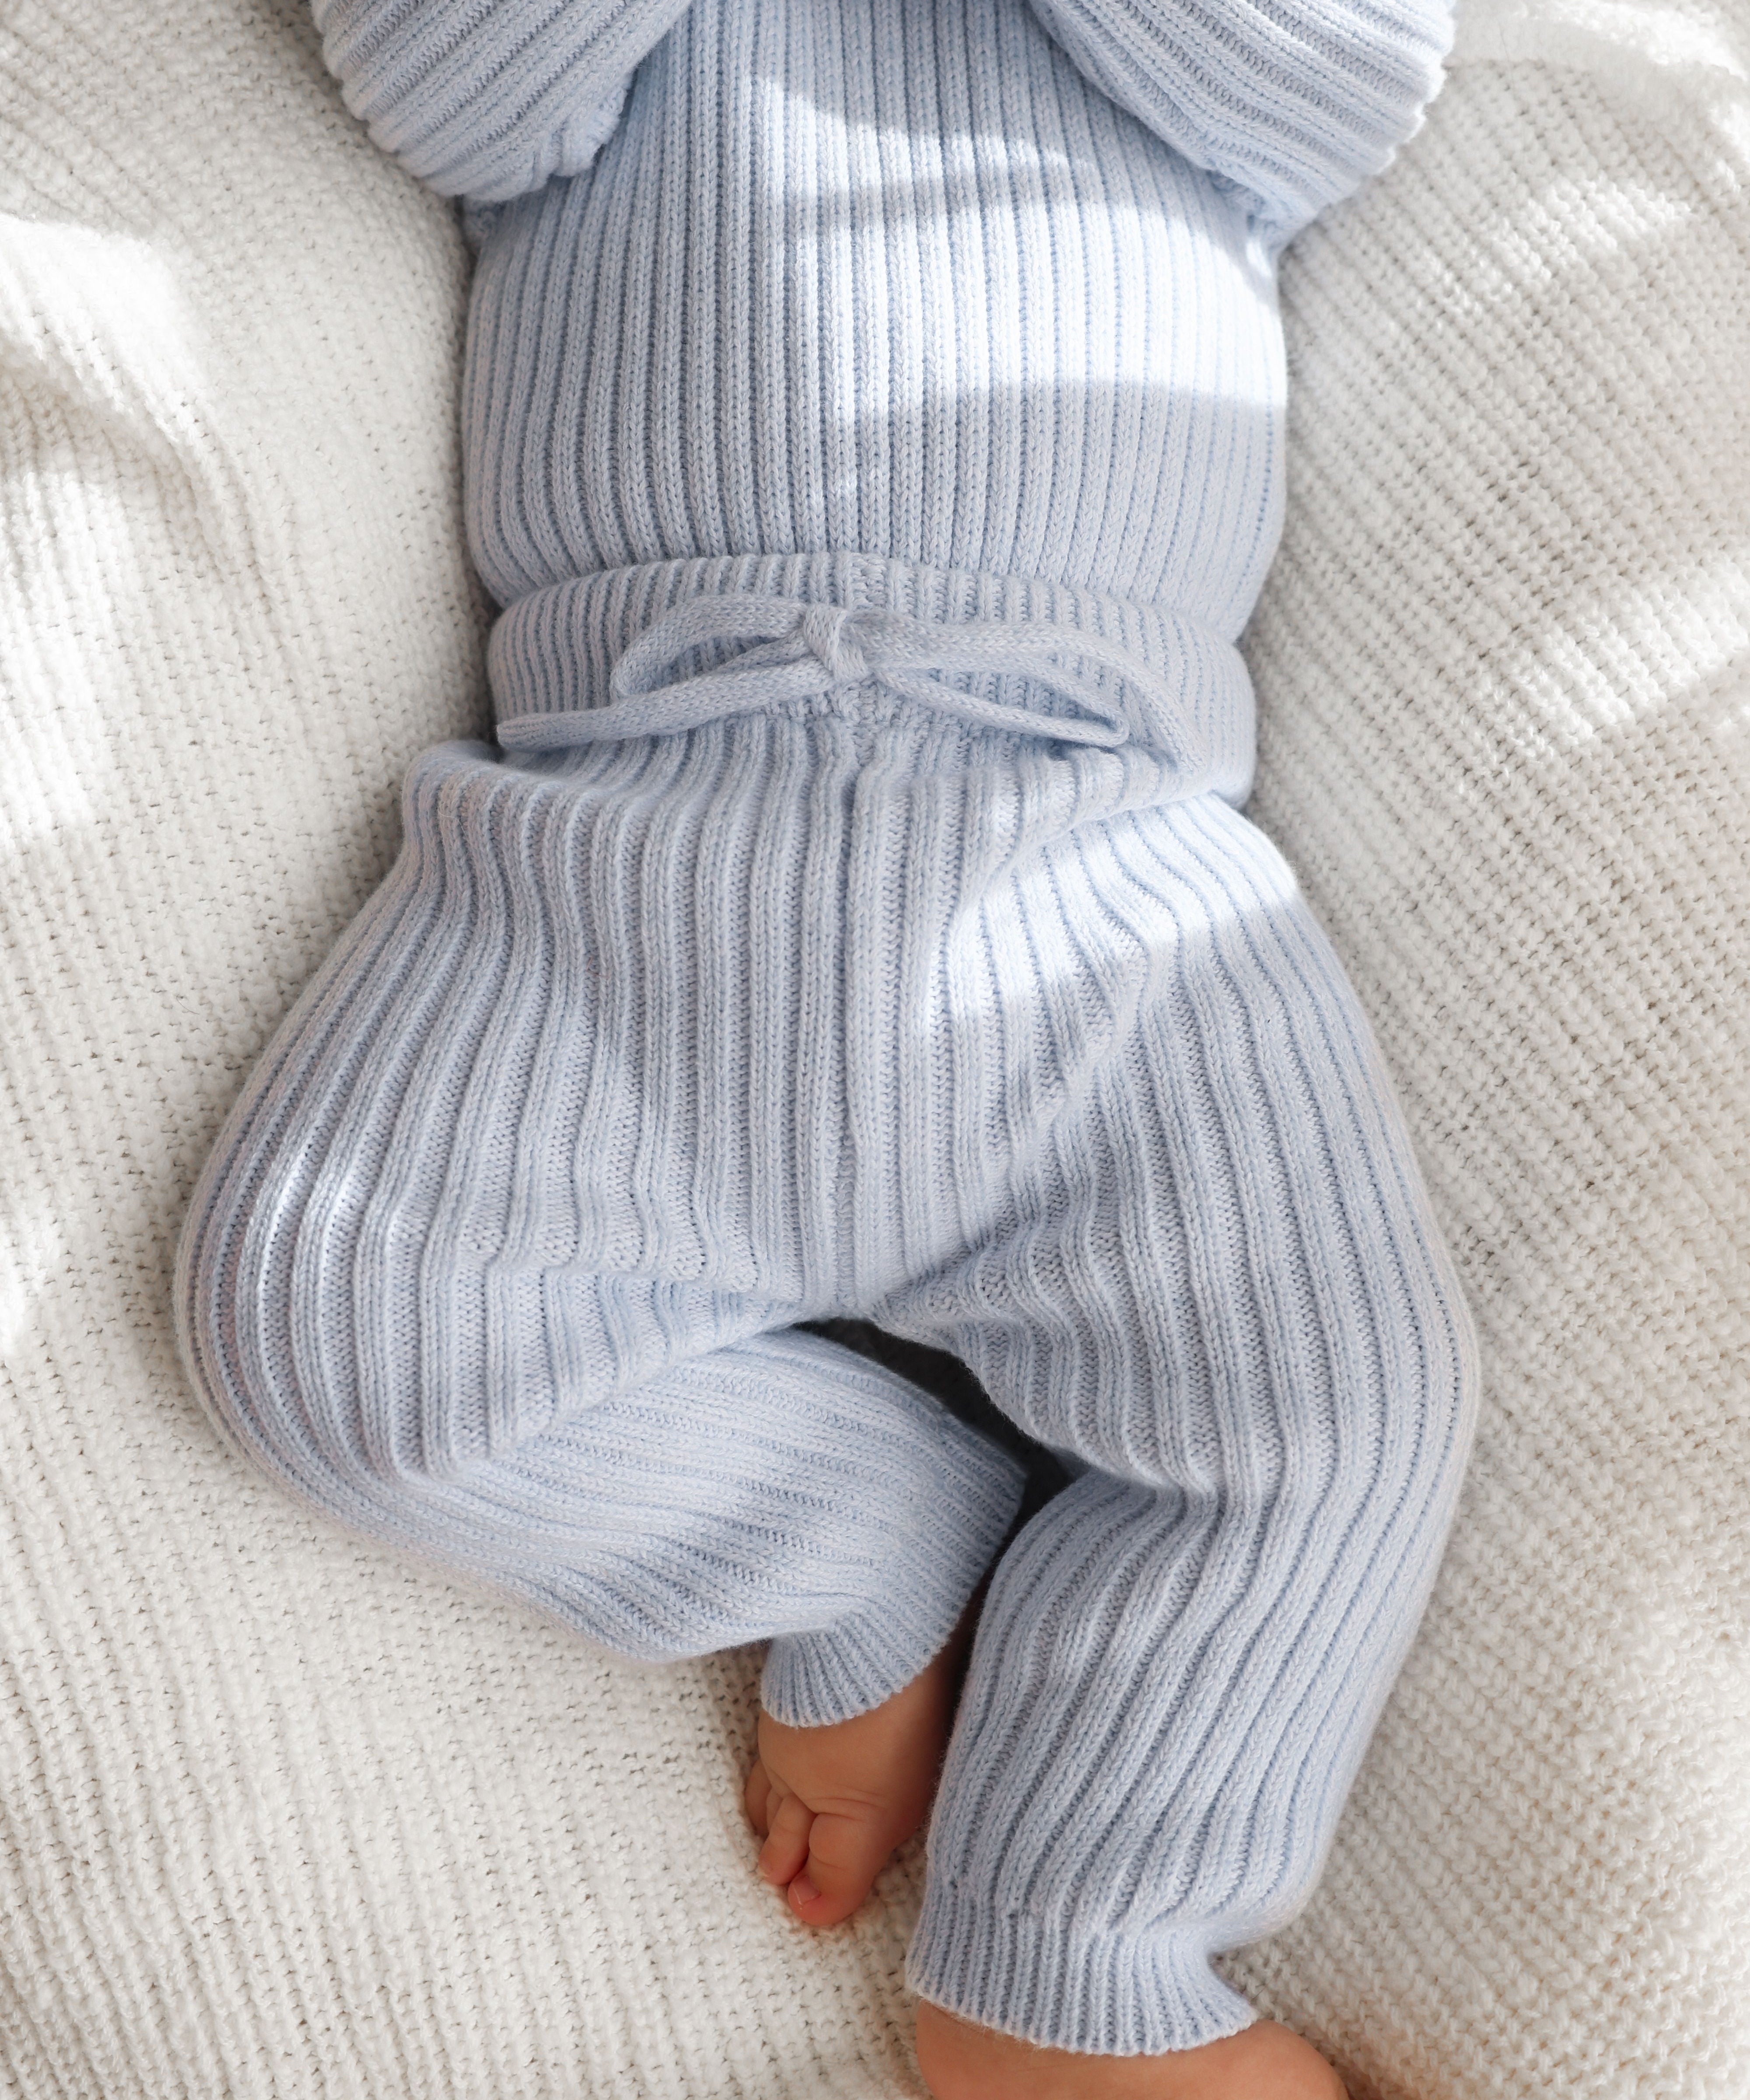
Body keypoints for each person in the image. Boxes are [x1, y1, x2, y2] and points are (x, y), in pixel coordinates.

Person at [176, 0, 1479, 2088]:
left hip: (1098, 859)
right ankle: (862, 1527)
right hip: (624, 844)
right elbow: (444, 81)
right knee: (323, 1325)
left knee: (1334, 1420)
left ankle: (1071, 1953)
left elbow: (1339, 84)